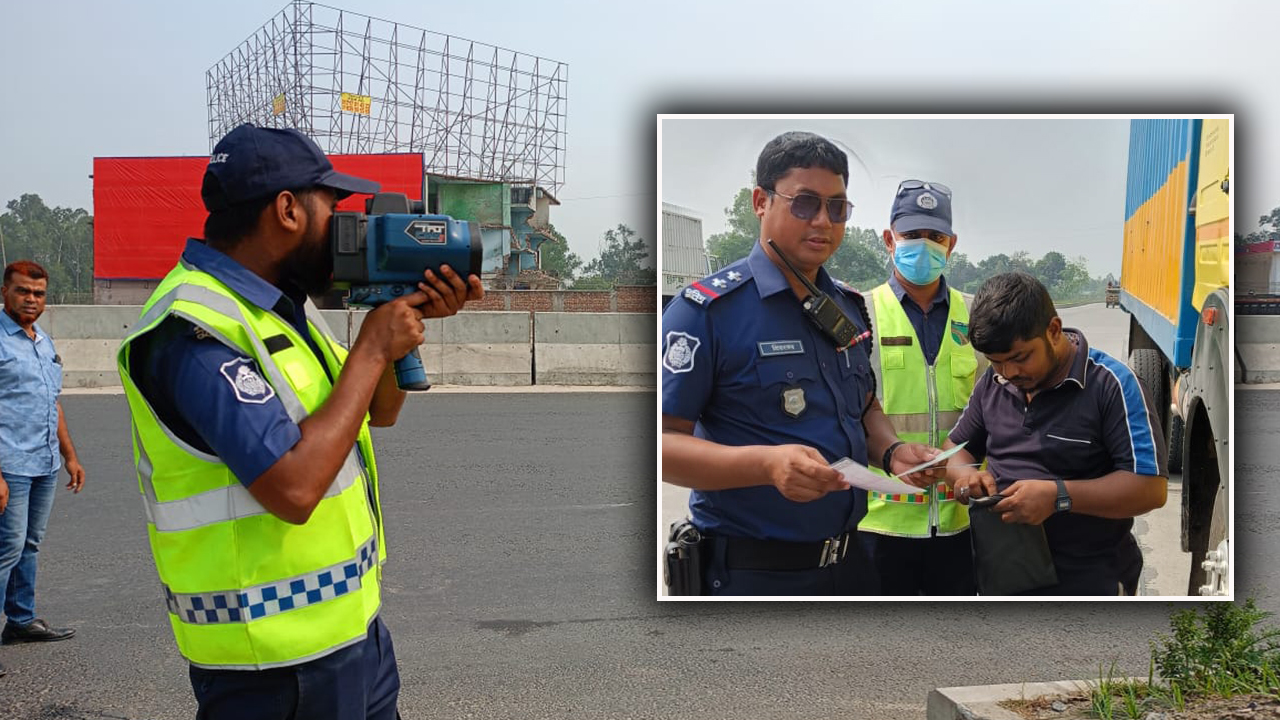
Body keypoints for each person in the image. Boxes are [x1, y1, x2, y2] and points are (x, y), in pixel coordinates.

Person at [115, 124, 483, 718]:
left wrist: (397, 329)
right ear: (287, 209)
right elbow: (293, 488)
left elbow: (378, 411)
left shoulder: (283, 310)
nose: (348, 228)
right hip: (273, 666)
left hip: (351, 633)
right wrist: (368, 350)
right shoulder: (195, 329)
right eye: (334, 209)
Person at [661, 131, 943, 596]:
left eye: (837, 208)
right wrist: (766, 465)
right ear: (760, 201)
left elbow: (863, 403)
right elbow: (665, 446)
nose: (823, 221)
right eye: (805, 203)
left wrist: (892, 450)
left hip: (852, 565)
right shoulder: (708, 311)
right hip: (754, 575)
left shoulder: (847, 306)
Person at [934, 271, 1167, 595]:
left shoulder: (1112, 385)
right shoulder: (993, 383)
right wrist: (963, 478)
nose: (1009, 373)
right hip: (1006, 573)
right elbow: (956, 449)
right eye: (996, 362)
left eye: (1020, 358)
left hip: (1089, 581)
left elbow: (1150, 488)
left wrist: (1058, 497)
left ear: (1054, 330)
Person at [856, 180, 984, 596]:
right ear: (889, 239)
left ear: (952, 244)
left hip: (962, 523)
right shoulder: (860, 315)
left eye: (936, 236)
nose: (924, 246)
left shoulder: (978, 316)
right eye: (912, 235)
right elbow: (849, 409)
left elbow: (1002, 407)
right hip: (878, 523)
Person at [0, 261, 85, 678]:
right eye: (22, 292)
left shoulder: (43, 342)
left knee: (29, 545)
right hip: (9, 464)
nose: (31, 300)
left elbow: (51, 402)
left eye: (38, 294)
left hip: (45, 461)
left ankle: (20, 620)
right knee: (5, 551)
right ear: (4, 292)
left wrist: (69, 455)